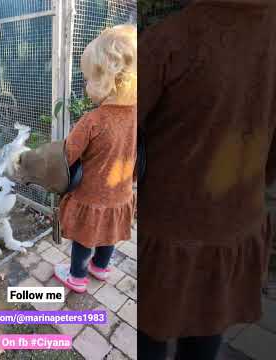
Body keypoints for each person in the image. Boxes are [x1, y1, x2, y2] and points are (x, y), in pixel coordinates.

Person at [138, 1, 276, 359]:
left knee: (149, 335)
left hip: (170, 237)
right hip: (235, 223)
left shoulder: (169, 43)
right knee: (205, 334)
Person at [13, 24, 137, 292]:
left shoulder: (93, 120)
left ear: (106, 79)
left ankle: (77, 276)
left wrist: (28, 162)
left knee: (85, 235)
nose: (85, 83)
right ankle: (101, 268)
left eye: (89, 78)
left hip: (91, 196)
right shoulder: (138, 114)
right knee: (109, 233)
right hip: (121, 193)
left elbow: (64, 156)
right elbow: (140, 154)